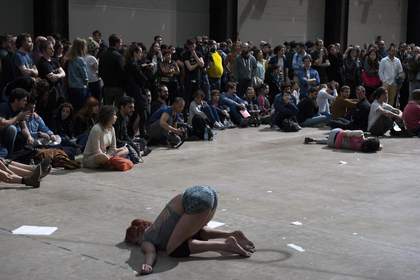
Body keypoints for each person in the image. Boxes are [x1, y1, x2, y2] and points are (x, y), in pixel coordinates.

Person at [124, 185, 255, 275]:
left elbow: (150, 253)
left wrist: (148, 265)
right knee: (193, 230)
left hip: (195, 201)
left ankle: (226, 245)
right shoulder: (155, 225)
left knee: (174, 249)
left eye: (135, 242)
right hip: (204, 192)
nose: (138, 245)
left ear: (137, 236)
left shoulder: (147, 239)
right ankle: (232, 234)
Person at [124, 43, 149, 138]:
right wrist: (145, 69)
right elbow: (143, 78)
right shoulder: (133, 64)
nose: (141, 55)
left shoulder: (130, 63)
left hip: (132, 92)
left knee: (134, 115)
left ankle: (130, 135)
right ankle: (142, 136)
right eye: (140, 52)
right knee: (143, 115)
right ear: (135, 53)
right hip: (136, 92)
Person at [0, 88, 30, 157]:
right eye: (24, 100)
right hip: (2, 136)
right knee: (12, 129)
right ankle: (9, 156)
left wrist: (29, 137)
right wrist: (17, 117)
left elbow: (24, 127)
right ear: (16, 100)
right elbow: (2, 123)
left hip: (11, 138)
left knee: (23, 136)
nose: (25, 103)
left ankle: (17, 156)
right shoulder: (4, 107)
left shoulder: (19, 111)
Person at [99, 34, 125, 105]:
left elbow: (100, 71)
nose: (121, 45)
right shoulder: (118, 56)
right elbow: (122, 72)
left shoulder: (103, 55)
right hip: (118, 87)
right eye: (120, 43)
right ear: (116, 43)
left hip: (107, 87)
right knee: (118, 109)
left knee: (107, 109)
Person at [304, 128, 381, 153]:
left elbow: (343, 133)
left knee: (343, 132)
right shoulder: (360, 149)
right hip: (332, 144)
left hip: (335, 133)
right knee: (338, 141)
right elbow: (380, 147)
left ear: (369, 139)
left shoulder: (360, 134)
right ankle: (315, 140)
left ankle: (315, 139)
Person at [66, 38, 89, 112]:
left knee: (73, 108)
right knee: (81, 109)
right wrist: (86, 83)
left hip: (71, 87)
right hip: (80, 88)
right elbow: (84, 76)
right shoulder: (80, 60)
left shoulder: (69, 59)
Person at [85, 37, 102, 102]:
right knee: (97, 101)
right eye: (97, 49)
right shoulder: (92, 58)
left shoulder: (84, 56)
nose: (98, 51)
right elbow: (98, 70)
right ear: (94, 49)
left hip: (87, 83)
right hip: (94, 82)